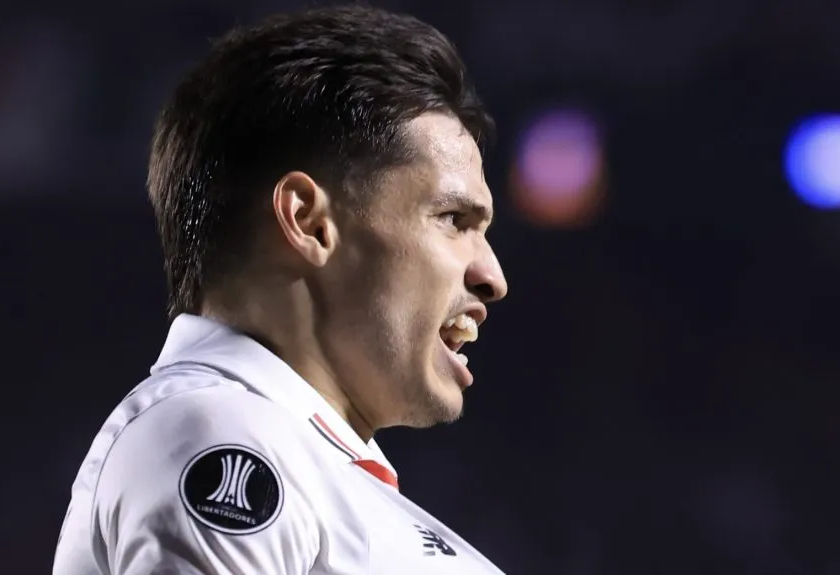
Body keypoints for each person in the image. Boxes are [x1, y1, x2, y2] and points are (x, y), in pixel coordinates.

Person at [51, 5, 509, 574]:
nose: (493, 277)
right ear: (310, 222)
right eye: (453, 220)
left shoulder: (303, 466)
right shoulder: (225, 435)